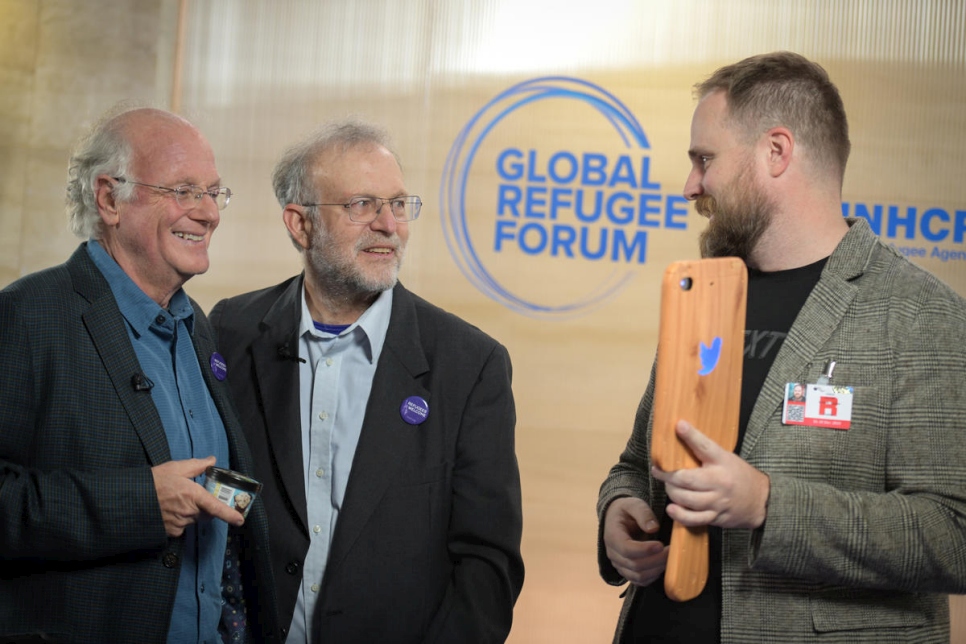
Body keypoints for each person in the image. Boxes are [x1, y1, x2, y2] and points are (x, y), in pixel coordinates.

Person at [597, 51, 966, 643]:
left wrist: (768, 504)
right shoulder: (705, 288)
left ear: (776, 151)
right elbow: (639, 463)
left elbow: (953, 533)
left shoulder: (920, 315)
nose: (691, 184)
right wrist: (619, 514)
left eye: (704, 159)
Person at [209, 119, 524, 643]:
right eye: (362, 205)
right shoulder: (230, 331)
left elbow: (486, 569)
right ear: (299, 224)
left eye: (399, 204)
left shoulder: (471, 365)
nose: (388, 224)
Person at [0, 106, 280, 643]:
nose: (208, 213)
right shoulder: (27, 316)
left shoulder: (196, 323)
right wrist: (137, 504)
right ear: (109, 199)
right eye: (183, 190)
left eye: (213, 192)